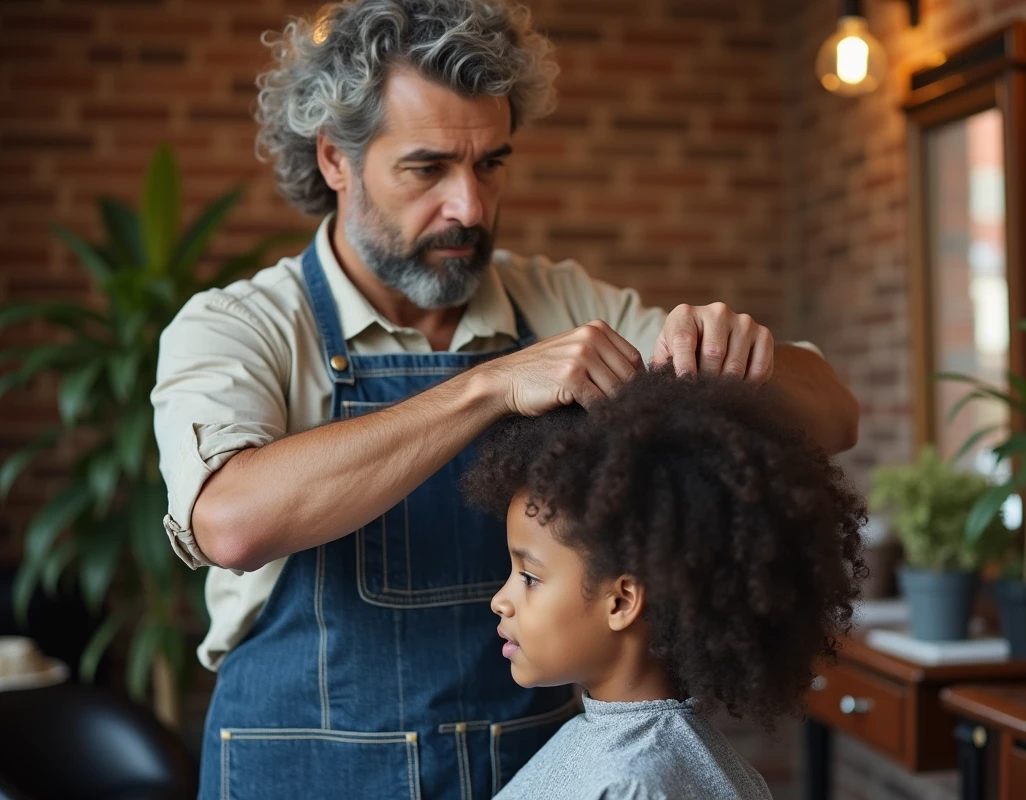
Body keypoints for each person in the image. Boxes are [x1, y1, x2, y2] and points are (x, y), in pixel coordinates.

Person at [150, 1, 859, 798]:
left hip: (533, 770)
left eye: (490, 163)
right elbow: (230, 521)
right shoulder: (241, 326)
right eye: (428, 169)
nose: (471, 207)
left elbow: (834, 416)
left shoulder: (557, 301)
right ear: (335, 160)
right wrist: (486, 386)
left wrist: (742, 357)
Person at [461, 367, 867, 799]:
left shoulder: (629, 787)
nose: (500, 601)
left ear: (620, 601)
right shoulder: (634, 754)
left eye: (528, 577)